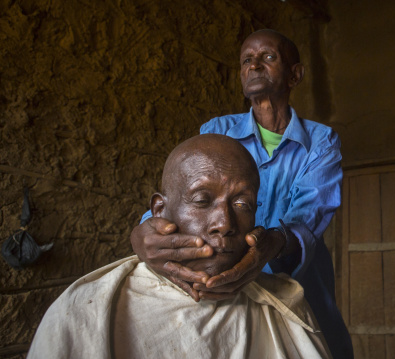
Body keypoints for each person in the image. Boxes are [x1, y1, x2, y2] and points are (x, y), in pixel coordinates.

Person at [131, 29, 353, 358]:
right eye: (246, 60)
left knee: (313, 345)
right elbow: (188, 194)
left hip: (296, 284)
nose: (254, 66)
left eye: (268, 57)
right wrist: (144, 229)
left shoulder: (321, 141)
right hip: (220, 285)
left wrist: (271, 244)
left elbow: (309, 215)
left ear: (295, 74)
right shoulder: (217, 131)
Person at [27, 134, 332, 359]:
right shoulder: (84, 314)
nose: (224, 223)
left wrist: (277, 240)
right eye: (202, 200)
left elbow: (311, 215)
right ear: (158, 210)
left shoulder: (284, 308)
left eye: (243, 203)